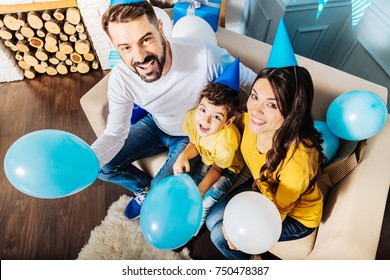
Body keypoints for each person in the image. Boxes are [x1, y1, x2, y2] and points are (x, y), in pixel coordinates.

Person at [91, 0, 256, 220]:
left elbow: (253, 83)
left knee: (161, 198)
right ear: (116, 47)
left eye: (146, 40)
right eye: (126, 47)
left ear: (160, 28)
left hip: (190, 136)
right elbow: (114, 133)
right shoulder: (121, 79)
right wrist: (87, 160)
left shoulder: (205, 55)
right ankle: (143, 189)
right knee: (101, 167)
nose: (140, 57)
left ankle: (153, 193)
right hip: (155, 125)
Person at [205, 19, 325, 260]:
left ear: (292, 111)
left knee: (219, 235)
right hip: (262, 189)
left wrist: (245, 236)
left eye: (271, 104)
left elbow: (277, 210)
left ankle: (253, 263)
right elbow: (232, 125)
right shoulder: (251, 120)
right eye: (255, 96)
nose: (256, 110)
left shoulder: (297, 160)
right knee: (211, 220)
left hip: (294, 215)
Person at [173, 58, 244, 232]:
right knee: (187, 190)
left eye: (217, 117)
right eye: (203, 110)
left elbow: (217, 170)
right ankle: (181, 219)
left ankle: (193, 229)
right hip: (207, 157)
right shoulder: (192, 117)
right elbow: (193, 143)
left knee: (204, 200)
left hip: (225, 168)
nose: (205, 120)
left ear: (228, 122)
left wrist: (202, 190)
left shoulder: (226, 143)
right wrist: (183, 155)